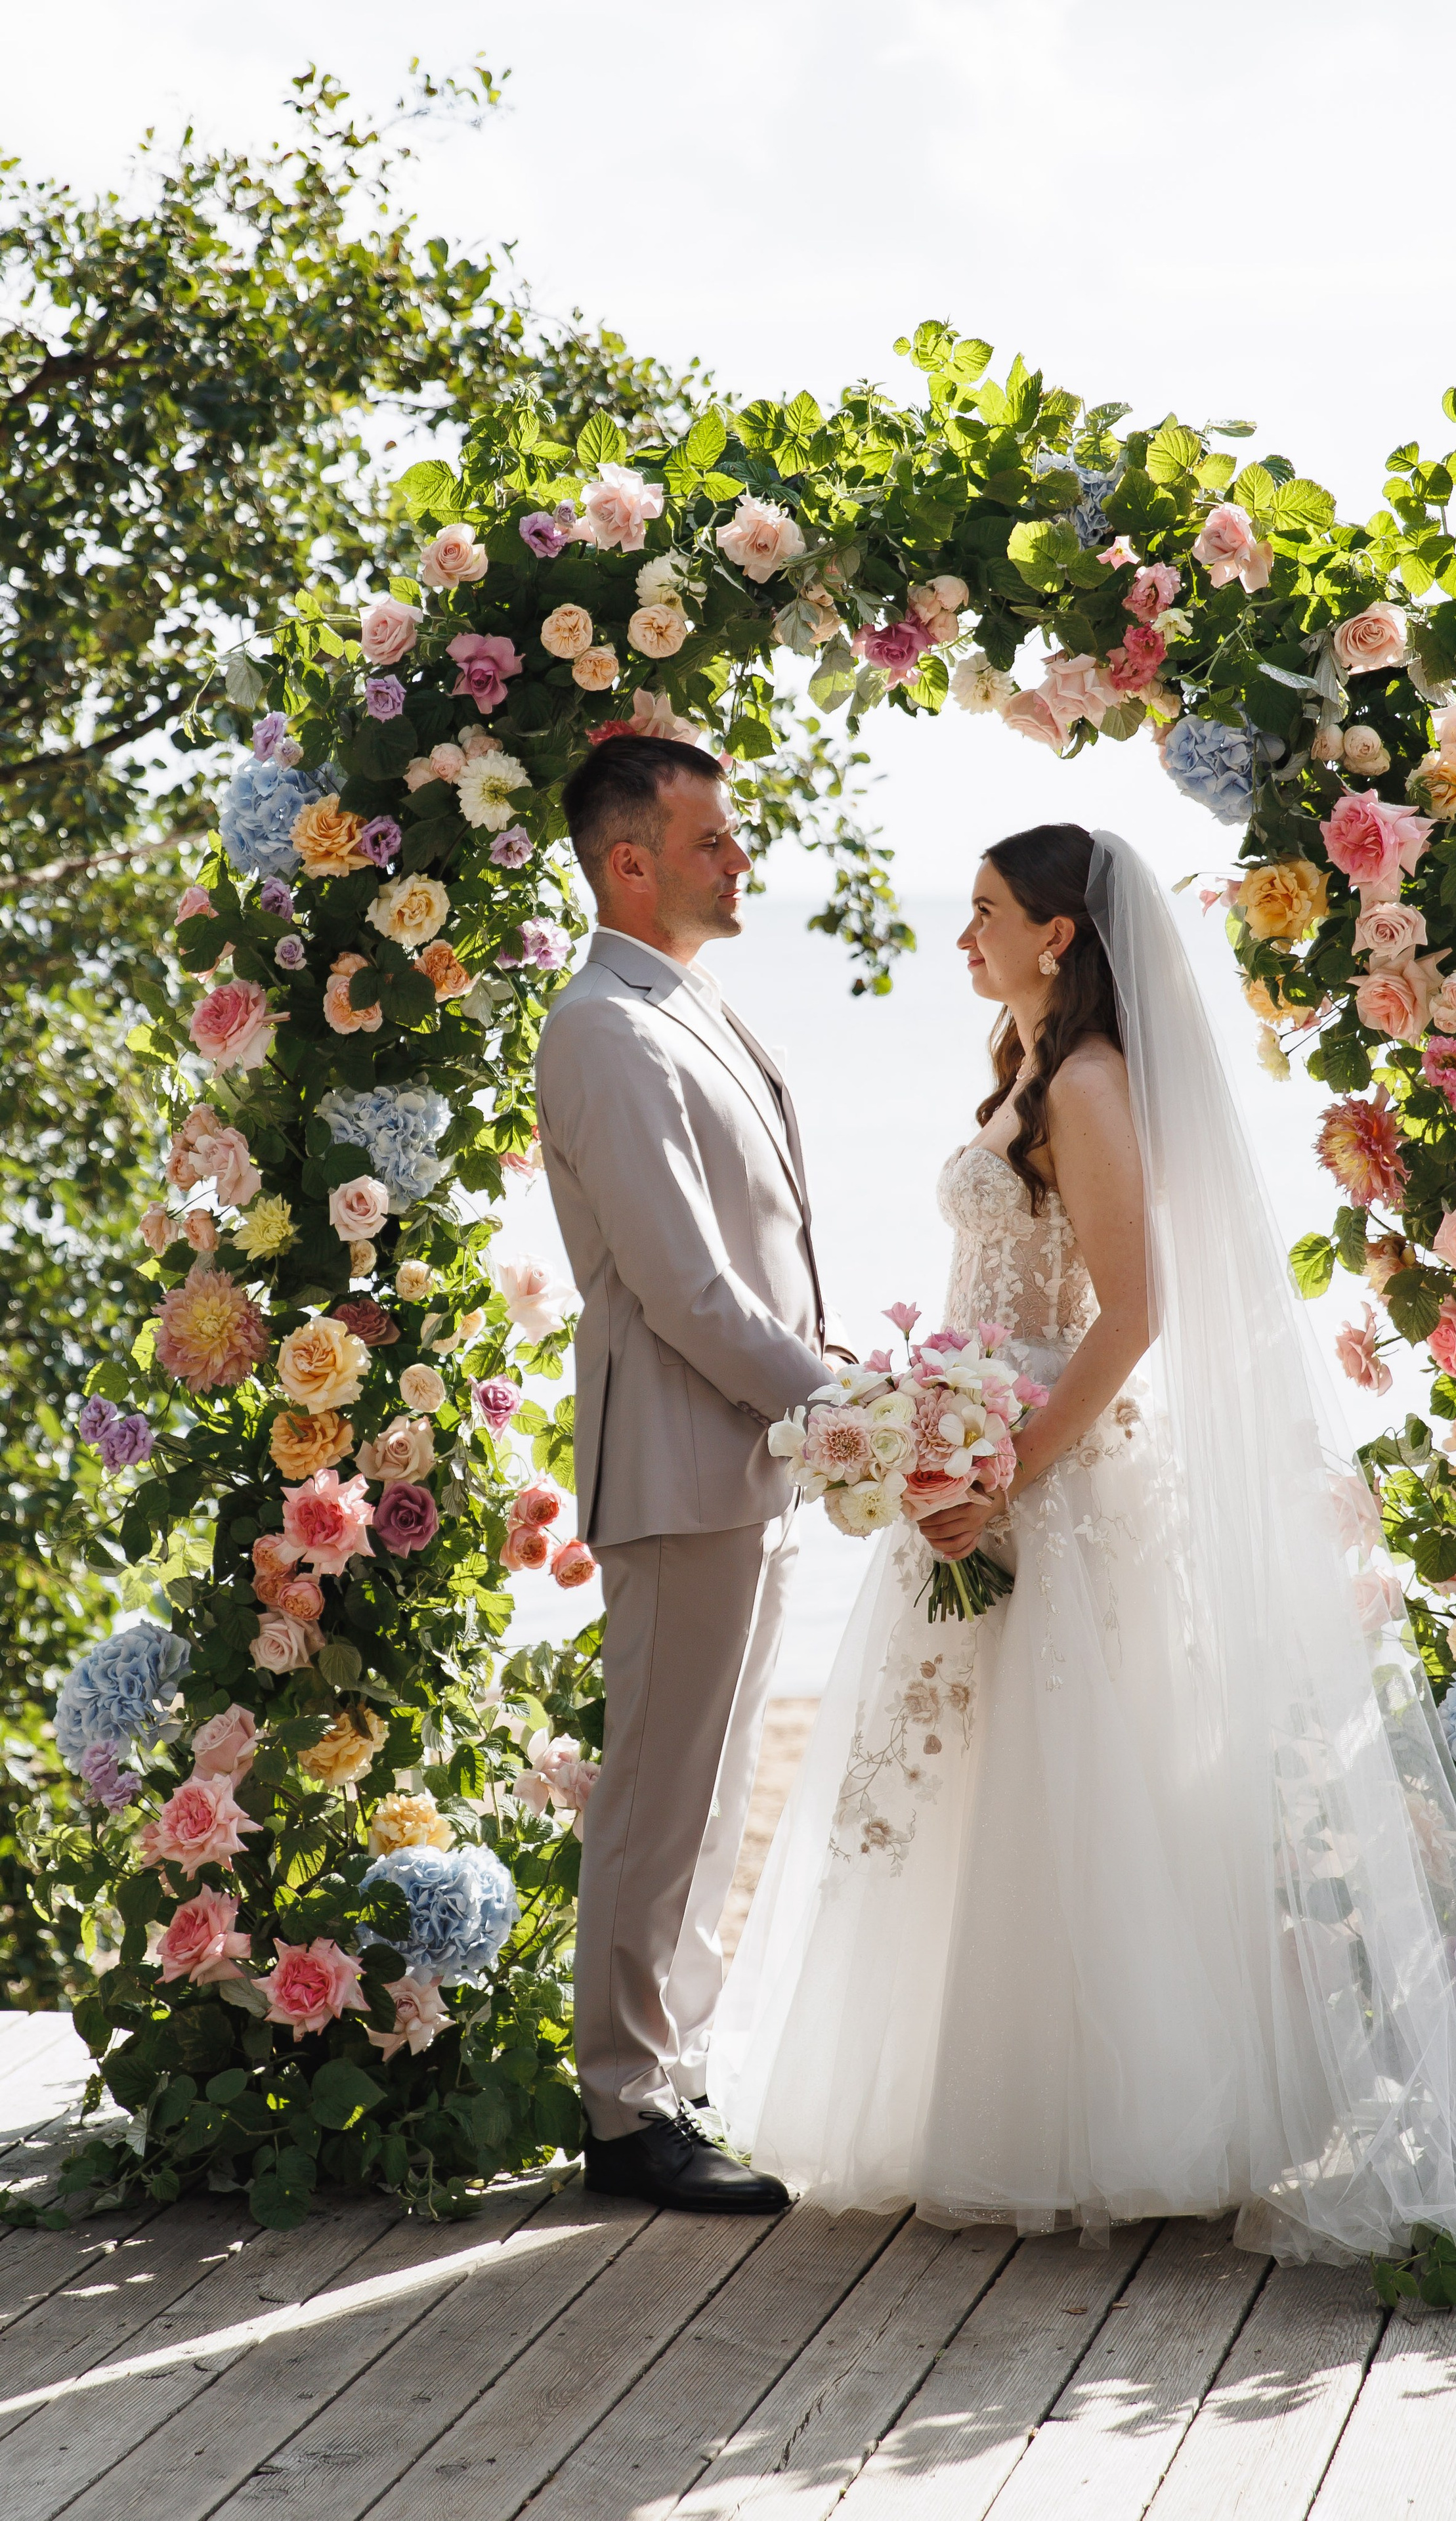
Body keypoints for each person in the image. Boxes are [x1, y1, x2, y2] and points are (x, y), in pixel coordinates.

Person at [712, 823, 1456, 2272]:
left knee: (1075, 1793)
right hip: (977, 1462)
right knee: (967, 1795)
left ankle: (1109, 2122)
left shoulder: (1086, 1084)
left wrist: (1004, 1465)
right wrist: (915, 1429)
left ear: (1060, 935)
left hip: (1050, 1477)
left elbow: (1131, 1315)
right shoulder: (1020, 1074)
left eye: (984, 913)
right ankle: (973, 2101)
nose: (962, 939)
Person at [534, 734, 836, 2213]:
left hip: (749, 1458)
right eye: (711, 840)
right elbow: (684, 1292)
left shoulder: (683, 1002)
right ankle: (624, 2117)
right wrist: (850, 1409)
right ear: (627, 860)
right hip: (679, 1456)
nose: (738, 859)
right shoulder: (602, 1025)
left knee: (712, 1791)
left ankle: (673, 2071)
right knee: (661, 1791)